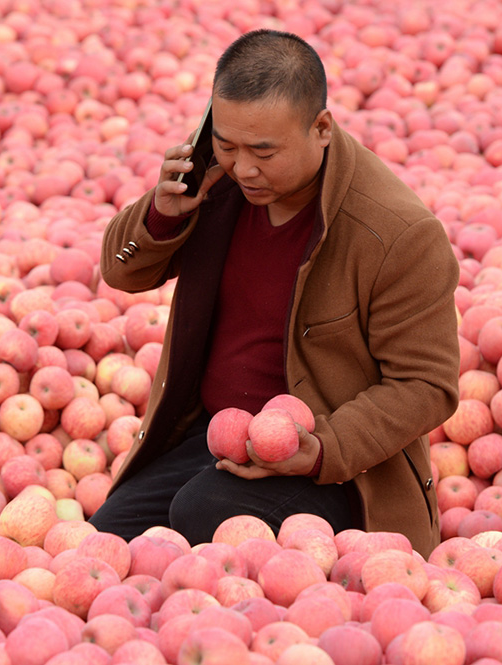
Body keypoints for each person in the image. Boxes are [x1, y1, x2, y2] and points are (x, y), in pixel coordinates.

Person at [91, 29, 460, 557]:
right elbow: (120, 271)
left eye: (264, 152)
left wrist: (318, 449)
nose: (243, 168)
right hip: (214, 438)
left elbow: (427, 384)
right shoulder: (216, 190)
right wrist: (159, 215)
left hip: (333, 468)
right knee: (105, 542)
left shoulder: (397, 233)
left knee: (202, 514)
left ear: (322, 128)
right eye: (226, 144)